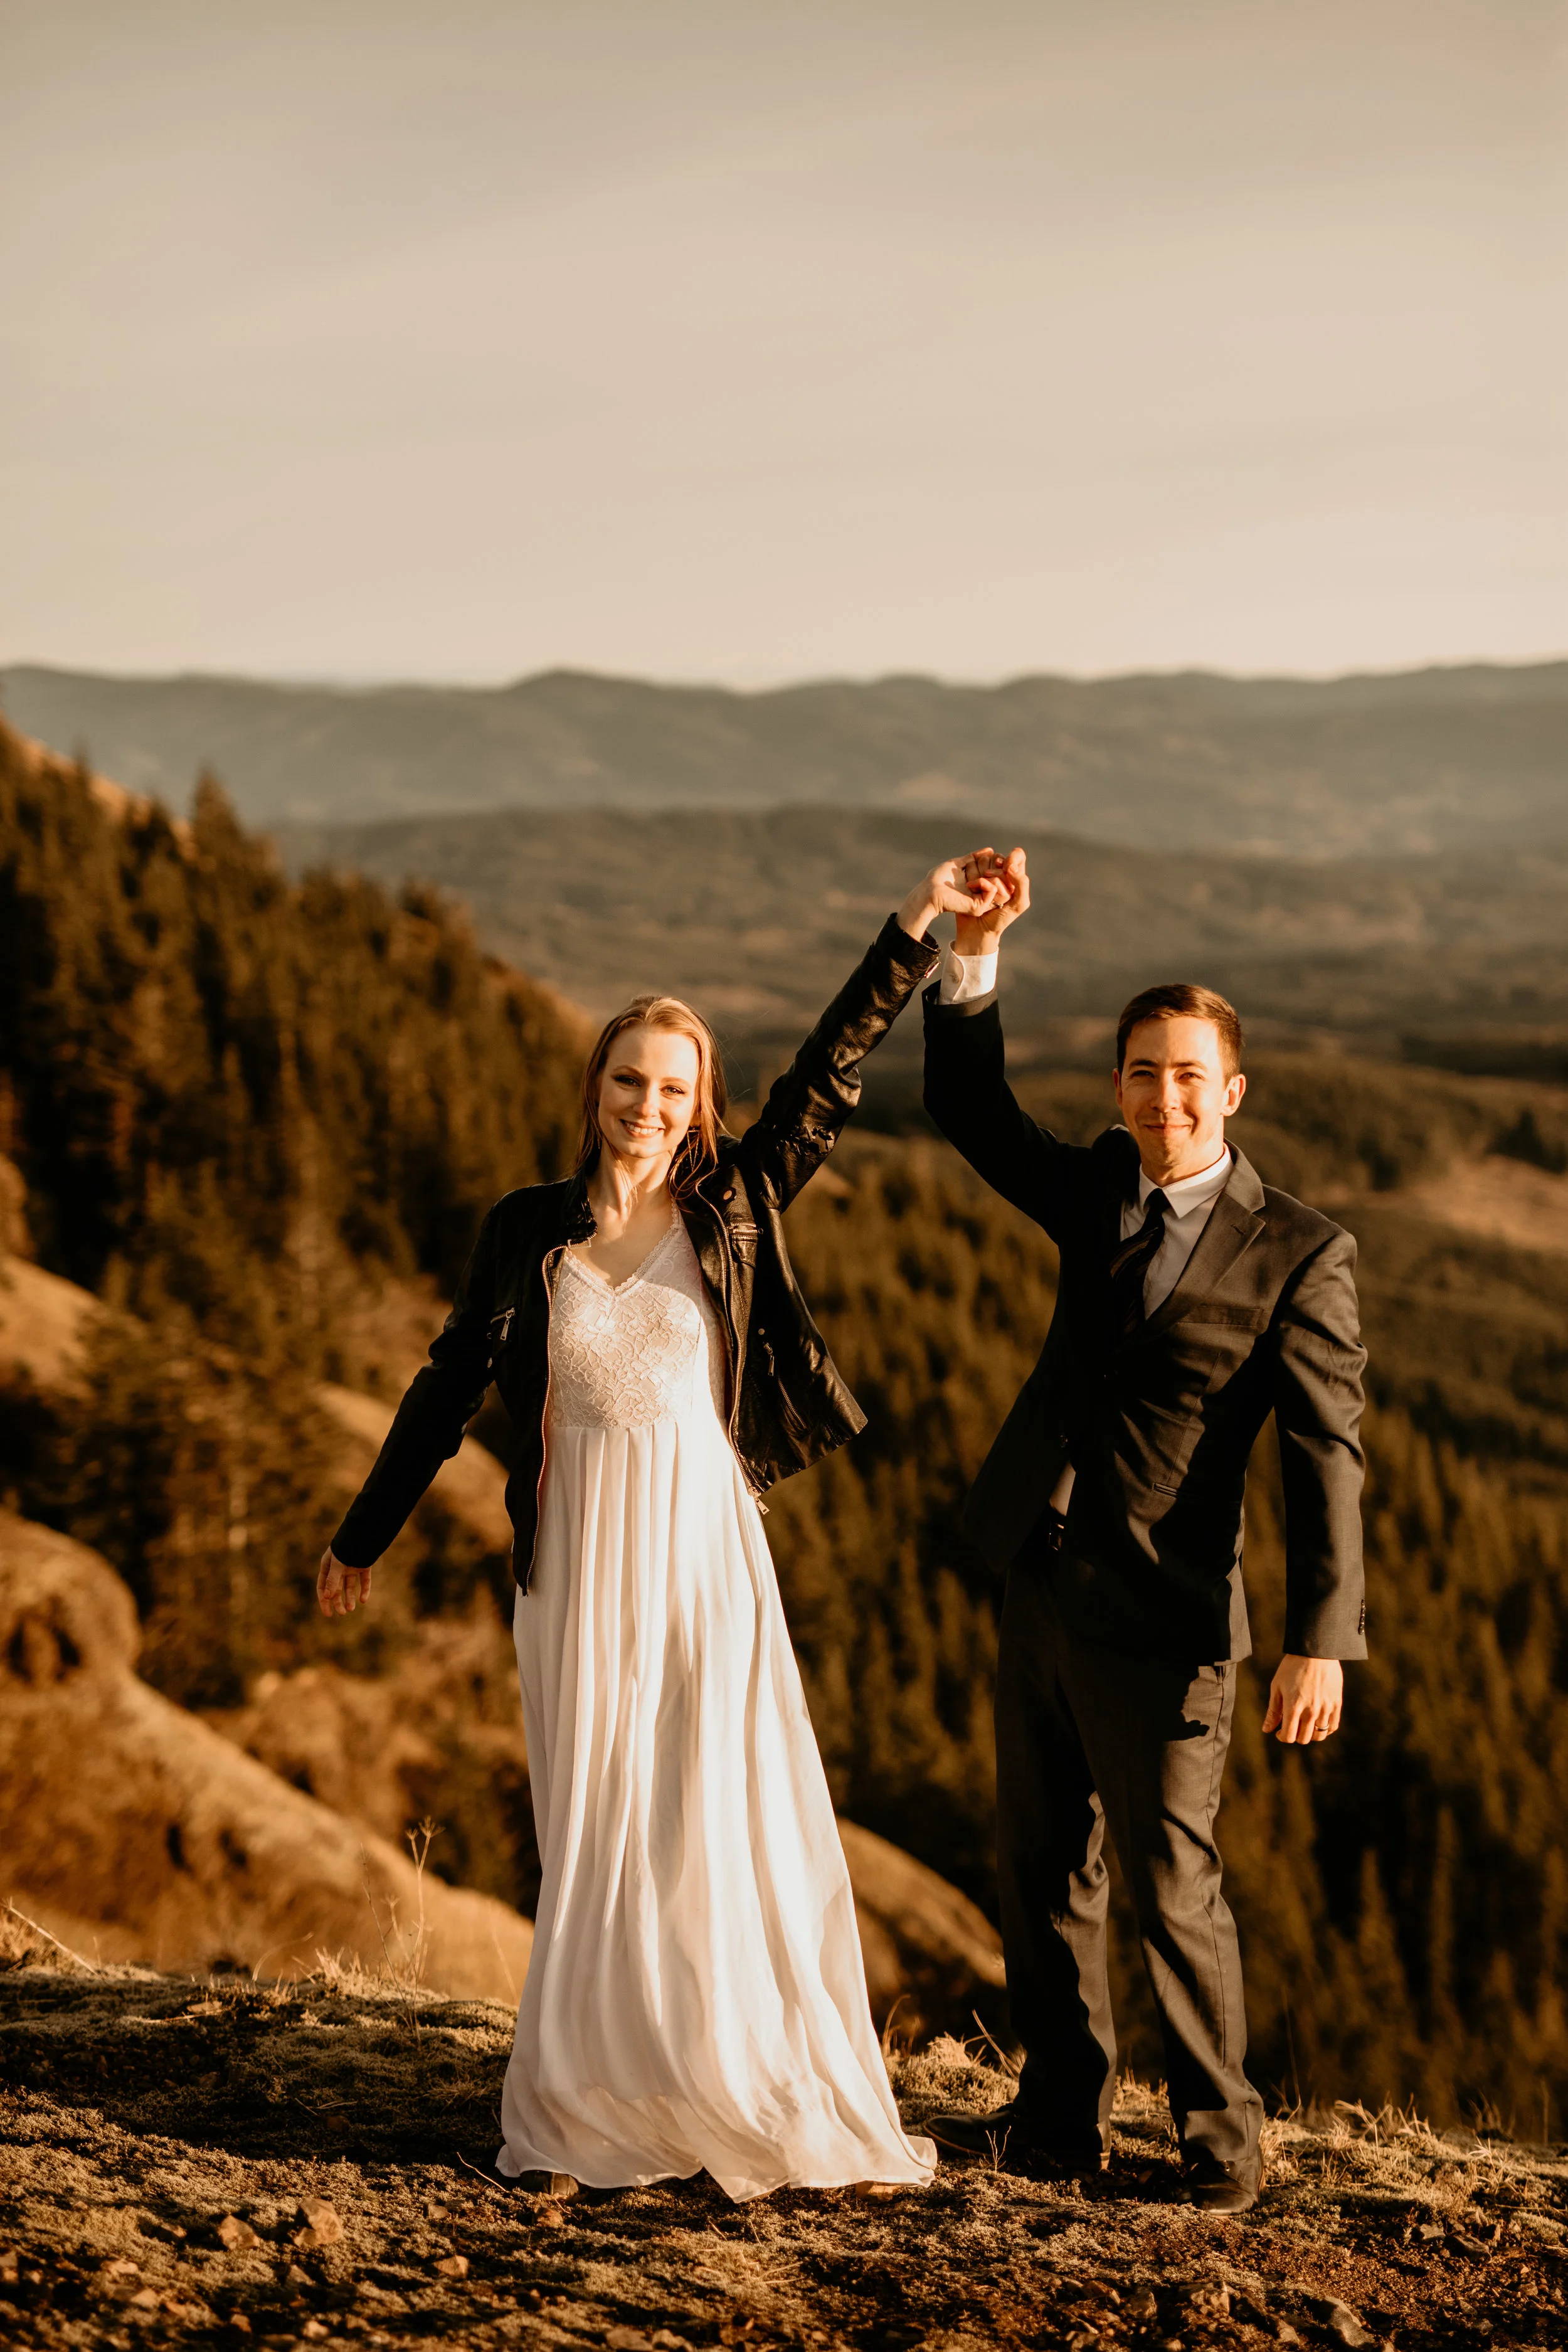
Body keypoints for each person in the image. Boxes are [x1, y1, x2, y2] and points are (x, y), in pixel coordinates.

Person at [315, 862, 1007, 2201]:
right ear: (595, 1088)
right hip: (573, 1569)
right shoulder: (528, 1231)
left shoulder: (732, 1206)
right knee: (598, 1824)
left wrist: (914, 927)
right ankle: (596, 2088)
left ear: (701, 1108)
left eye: (675, 1088)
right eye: (629, 1080)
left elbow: (826, 1072)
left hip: (700, 1554)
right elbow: (447, 1386)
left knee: (712, 1813)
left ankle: (725, 2069)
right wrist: (363, 1534)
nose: (649, 1105)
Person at [921, 847, 1367, 2214]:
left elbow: (1324, 1456)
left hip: (1170, 1619)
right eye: (1138, 1072)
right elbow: (969, 1109)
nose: (1161, 1097)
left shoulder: (1299, 1250)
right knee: (1041, 1872)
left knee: (1170, 1890)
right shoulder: (1101, 1188)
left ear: (1229, 1092)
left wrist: (1320, 1641)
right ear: (1116, 1086)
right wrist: (973, 953)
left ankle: (1217, 2147)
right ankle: (1057, 2122)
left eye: (1186, 1076)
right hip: (1039, 1586)